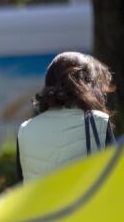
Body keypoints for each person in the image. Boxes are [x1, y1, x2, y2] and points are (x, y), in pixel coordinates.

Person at [17, 51, 116, 183]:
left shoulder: (25, 129)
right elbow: (115, 179)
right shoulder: (98, 122)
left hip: (45, 204)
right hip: (86, 203)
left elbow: (20, 186)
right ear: (88, 85)